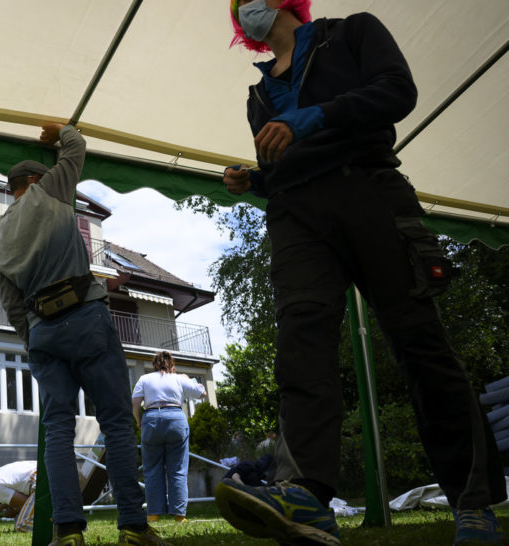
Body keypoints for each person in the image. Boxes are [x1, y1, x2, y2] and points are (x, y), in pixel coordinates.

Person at [215, 1, 507, 545]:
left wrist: (313, 116)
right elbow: (289, 163)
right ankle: (306, 494)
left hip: (370, 193)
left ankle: (473, 501)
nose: (244, 6)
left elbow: (398, 92)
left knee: (419, 343)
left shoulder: (351, 33)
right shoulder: (256, 96)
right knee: (300, 343)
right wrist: (255, 180)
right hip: (296, 217)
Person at [0, 122, 166, 545]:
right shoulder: (48, 190)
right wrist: (60, 132)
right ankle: (133, 527)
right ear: (34, 180)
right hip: (86, 317)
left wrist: (37, 343)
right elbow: (76, 148)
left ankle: (67, 532)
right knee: (118, 425)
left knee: (58, 433)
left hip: (42, 333)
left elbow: (13, 309)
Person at [131, 351, 206, 523]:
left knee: (152, 469)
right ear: (172, 365)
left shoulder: (145, 379)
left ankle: (153, 514)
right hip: (175, 419)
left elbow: (135, 402)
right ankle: (179, 515)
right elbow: (202, 393)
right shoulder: (179, 378)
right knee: (178, 468)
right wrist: (189, 379)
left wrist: (139, 421)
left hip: (151, 419)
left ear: (154, 365)